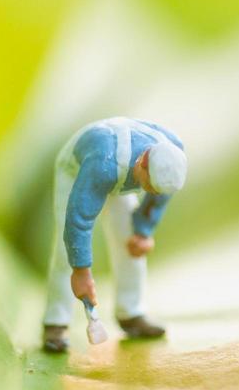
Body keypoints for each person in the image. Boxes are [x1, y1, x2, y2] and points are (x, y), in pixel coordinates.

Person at [41, 117, 187, 353]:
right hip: (79, 170)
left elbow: (159, 196)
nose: (150, 193)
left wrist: (143, 231)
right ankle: (55, 322)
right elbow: (79, 218)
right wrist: (81, 271)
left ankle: (131, 313)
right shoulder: (103, 165)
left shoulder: (172, 156)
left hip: (121, 179)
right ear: (143, 163)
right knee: (64, 250)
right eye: (149, 186)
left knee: (130, 244)